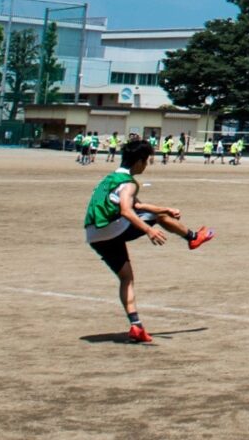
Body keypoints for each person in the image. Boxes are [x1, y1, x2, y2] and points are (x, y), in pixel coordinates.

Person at [84, 138, 214, 343]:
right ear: (138, 161)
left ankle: (136, 326)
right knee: (157, 220)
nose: (146, 165)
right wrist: (148, 230)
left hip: (94, 235)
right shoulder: (128, 184)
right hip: (112, 229)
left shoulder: (111, 179)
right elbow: (127, 211)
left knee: (126, 277)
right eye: (146, 161)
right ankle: (193, 238)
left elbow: (138, 206)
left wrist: (165, 208)